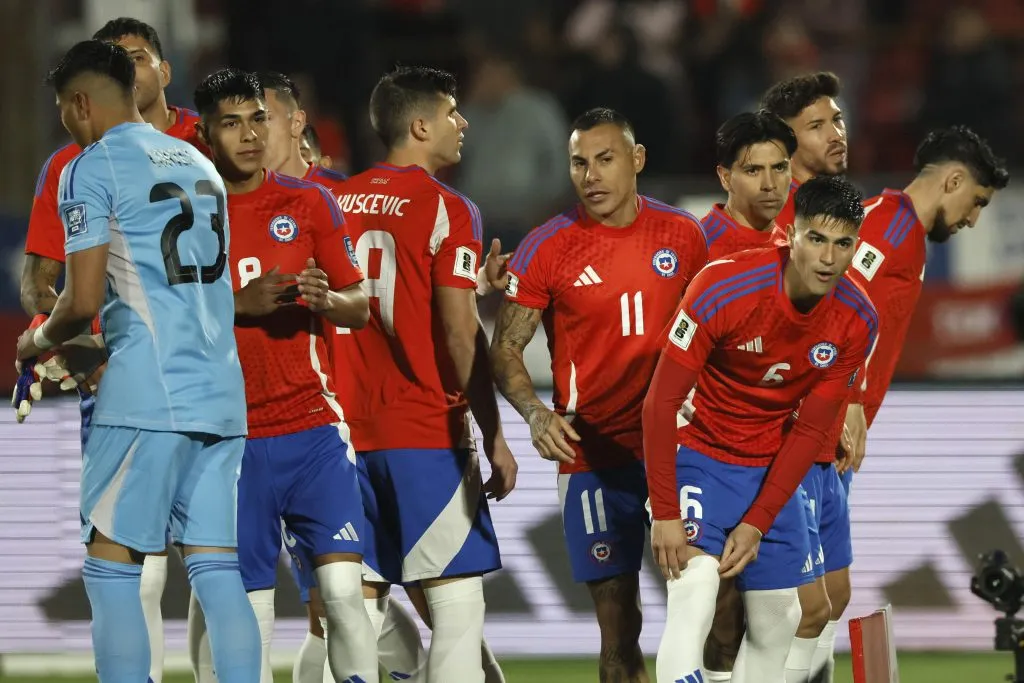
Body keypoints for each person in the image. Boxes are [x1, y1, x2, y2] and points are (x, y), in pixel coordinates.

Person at [15, 40, 259, 683]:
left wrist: (36, 342)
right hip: (220, 389)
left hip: (148, 390)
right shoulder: (198, 163)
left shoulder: (91, 166)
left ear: (79, 104)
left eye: (63, 112)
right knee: (215, 568)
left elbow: (82, 297)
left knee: (111, 565)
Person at [491, 106, 708, 682]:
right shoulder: (547, 246)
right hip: (592, 457)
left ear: (636, 160)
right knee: (618, 631)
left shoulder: (683, 235)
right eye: (579, 162)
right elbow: (505, 347)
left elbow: (718, 332)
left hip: (679, 449)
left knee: (713, 604)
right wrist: (536, 414)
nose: (591, 175)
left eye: (605, 159)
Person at [786, 126, 1008, 682]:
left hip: (832, 443)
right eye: (975, 202)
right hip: (817, 434)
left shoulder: (900, 229)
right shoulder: (889, 224)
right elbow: (836, 298)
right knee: (802, 603)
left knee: (830, 598)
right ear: (952, 180)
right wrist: (854, 398)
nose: (972, 219)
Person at [642, 175, 877, 683]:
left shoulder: (858, 319)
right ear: (790, 235)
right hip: (699, 455)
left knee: (783, 619)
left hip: (769, 466)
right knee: (696, 590)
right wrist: (663, 510)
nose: (828, 258)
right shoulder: (723, 285)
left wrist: (758, 521)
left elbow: (811, 431)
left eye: (843, 244)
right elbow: (659, 404)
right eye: (816, 238)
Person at [185, 68, 375, 683]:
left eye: (258, 120)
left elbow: (359, 302)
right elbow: (164, 312)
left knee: (346, 596)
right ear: (208, 134)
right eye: (232, 123)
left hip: (314, 430)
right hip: (231, 439)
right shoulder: (188, 208)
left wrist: (326, 300)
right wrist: (238, 302)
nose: (249, 135)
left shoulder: (308, 201)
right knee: (250, 617)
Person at [332, 65, 518, 683]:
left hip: (342, 433)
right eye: (451, 112)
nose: (462, 124)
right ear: (420, 124)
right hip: (422, 430)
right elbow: (460, 332)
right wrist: (492, 431)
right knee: (457, 604)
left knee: (357, 607)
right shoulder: (447, 207)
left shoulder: (333, 202)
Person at [760, 72, 848, 234]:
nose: (837, 135)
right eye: (816, 126)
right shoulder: (773, 224)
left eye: (837, 119)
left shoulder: (840, 203)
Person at [702, 111, 796, 261]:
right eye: (753, 171)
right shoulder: (698, 247)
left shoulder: (794, 251)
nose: (769, 184)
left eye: (779, 168)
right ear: (725, 178)